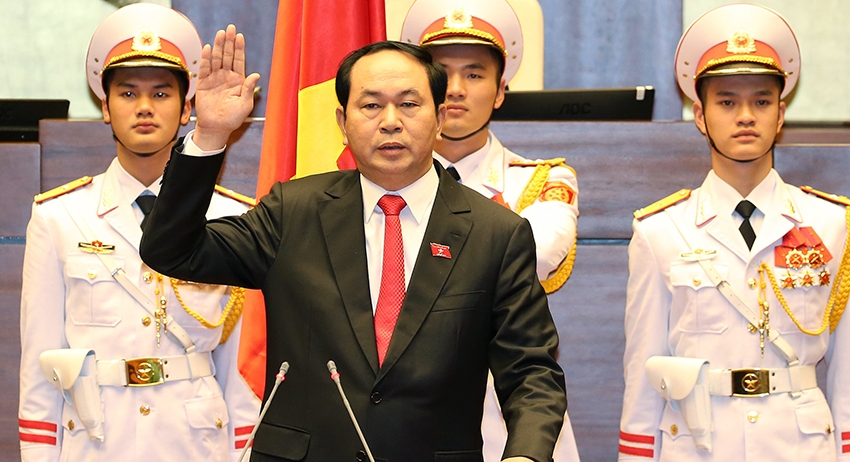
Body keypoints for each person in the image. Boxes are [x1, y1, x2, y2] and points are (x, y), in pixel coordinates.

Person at [139, 23, 567, 462]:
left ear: (439, 118)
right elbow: (172, 250)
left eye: (409, 104)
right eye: (371, 105)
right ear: (342, 122)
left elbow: (531, 372)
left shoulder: (495, 233)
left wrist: (525, 456)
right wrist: (210, 137)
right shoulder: (294, 211)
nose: (390, 121)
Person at [18, 4, 259, 461]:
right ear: (105, 108)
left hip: (195, 445)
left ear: (187, 108)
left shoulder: (233, 216)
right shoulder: (60, 217)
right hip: (96, 443)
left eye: (162, 93)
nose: (145, 107)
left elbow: (242, 366)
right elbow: (40, 365)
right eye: (127, 93)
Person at [618, 4, 850, 461]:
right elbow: (643, 370)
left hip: (800, 447)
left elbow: (847, 367)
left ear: (780, 114)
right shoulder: (661, 230)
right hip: (698, 446)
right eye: (727, 102)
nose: (746, 116)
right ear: (700, 115)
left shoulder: (831, 223)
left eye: (761, 102)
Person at [400, 1, 580, 460]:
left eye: (475, 74)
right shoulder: (381, 186)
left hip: (511, 417)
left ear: (500, 91)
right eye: (442, 73)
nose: (456, 89)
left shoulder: (542, 181)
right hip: (404, 411)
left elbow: (536, 257)